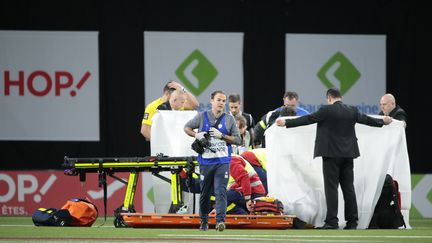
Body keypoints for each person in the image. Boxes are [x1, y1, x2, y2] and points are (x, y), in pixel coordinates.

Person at [276, 88, 393, 230]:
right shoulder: (352, 110)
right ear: (340, 97)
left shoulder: (326, 110)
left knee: (331, 189)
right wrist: (383, 122)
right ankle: (352, 222)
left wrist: (286, 123)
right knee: (348, 189)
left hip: (330, 155)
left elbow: (307, 119)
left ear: (329, 98)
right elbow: (367, 120)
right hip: (348, 155)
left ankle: (332, 222)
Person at [184, 90, 241, 232]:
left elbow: (238, 140)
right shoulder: (202, 116)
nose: (221, 103)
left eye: (223, 101)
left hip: (222, 162)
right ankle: (203, 221)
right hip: (206, 162)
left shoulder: (229, 119)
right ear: (211, 101)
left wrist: (222, 136)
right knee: (205, 194)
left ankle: (220, 221)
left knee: (221, 192)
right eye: (219, 100)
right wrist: (196, 134)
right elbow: (186, 127)